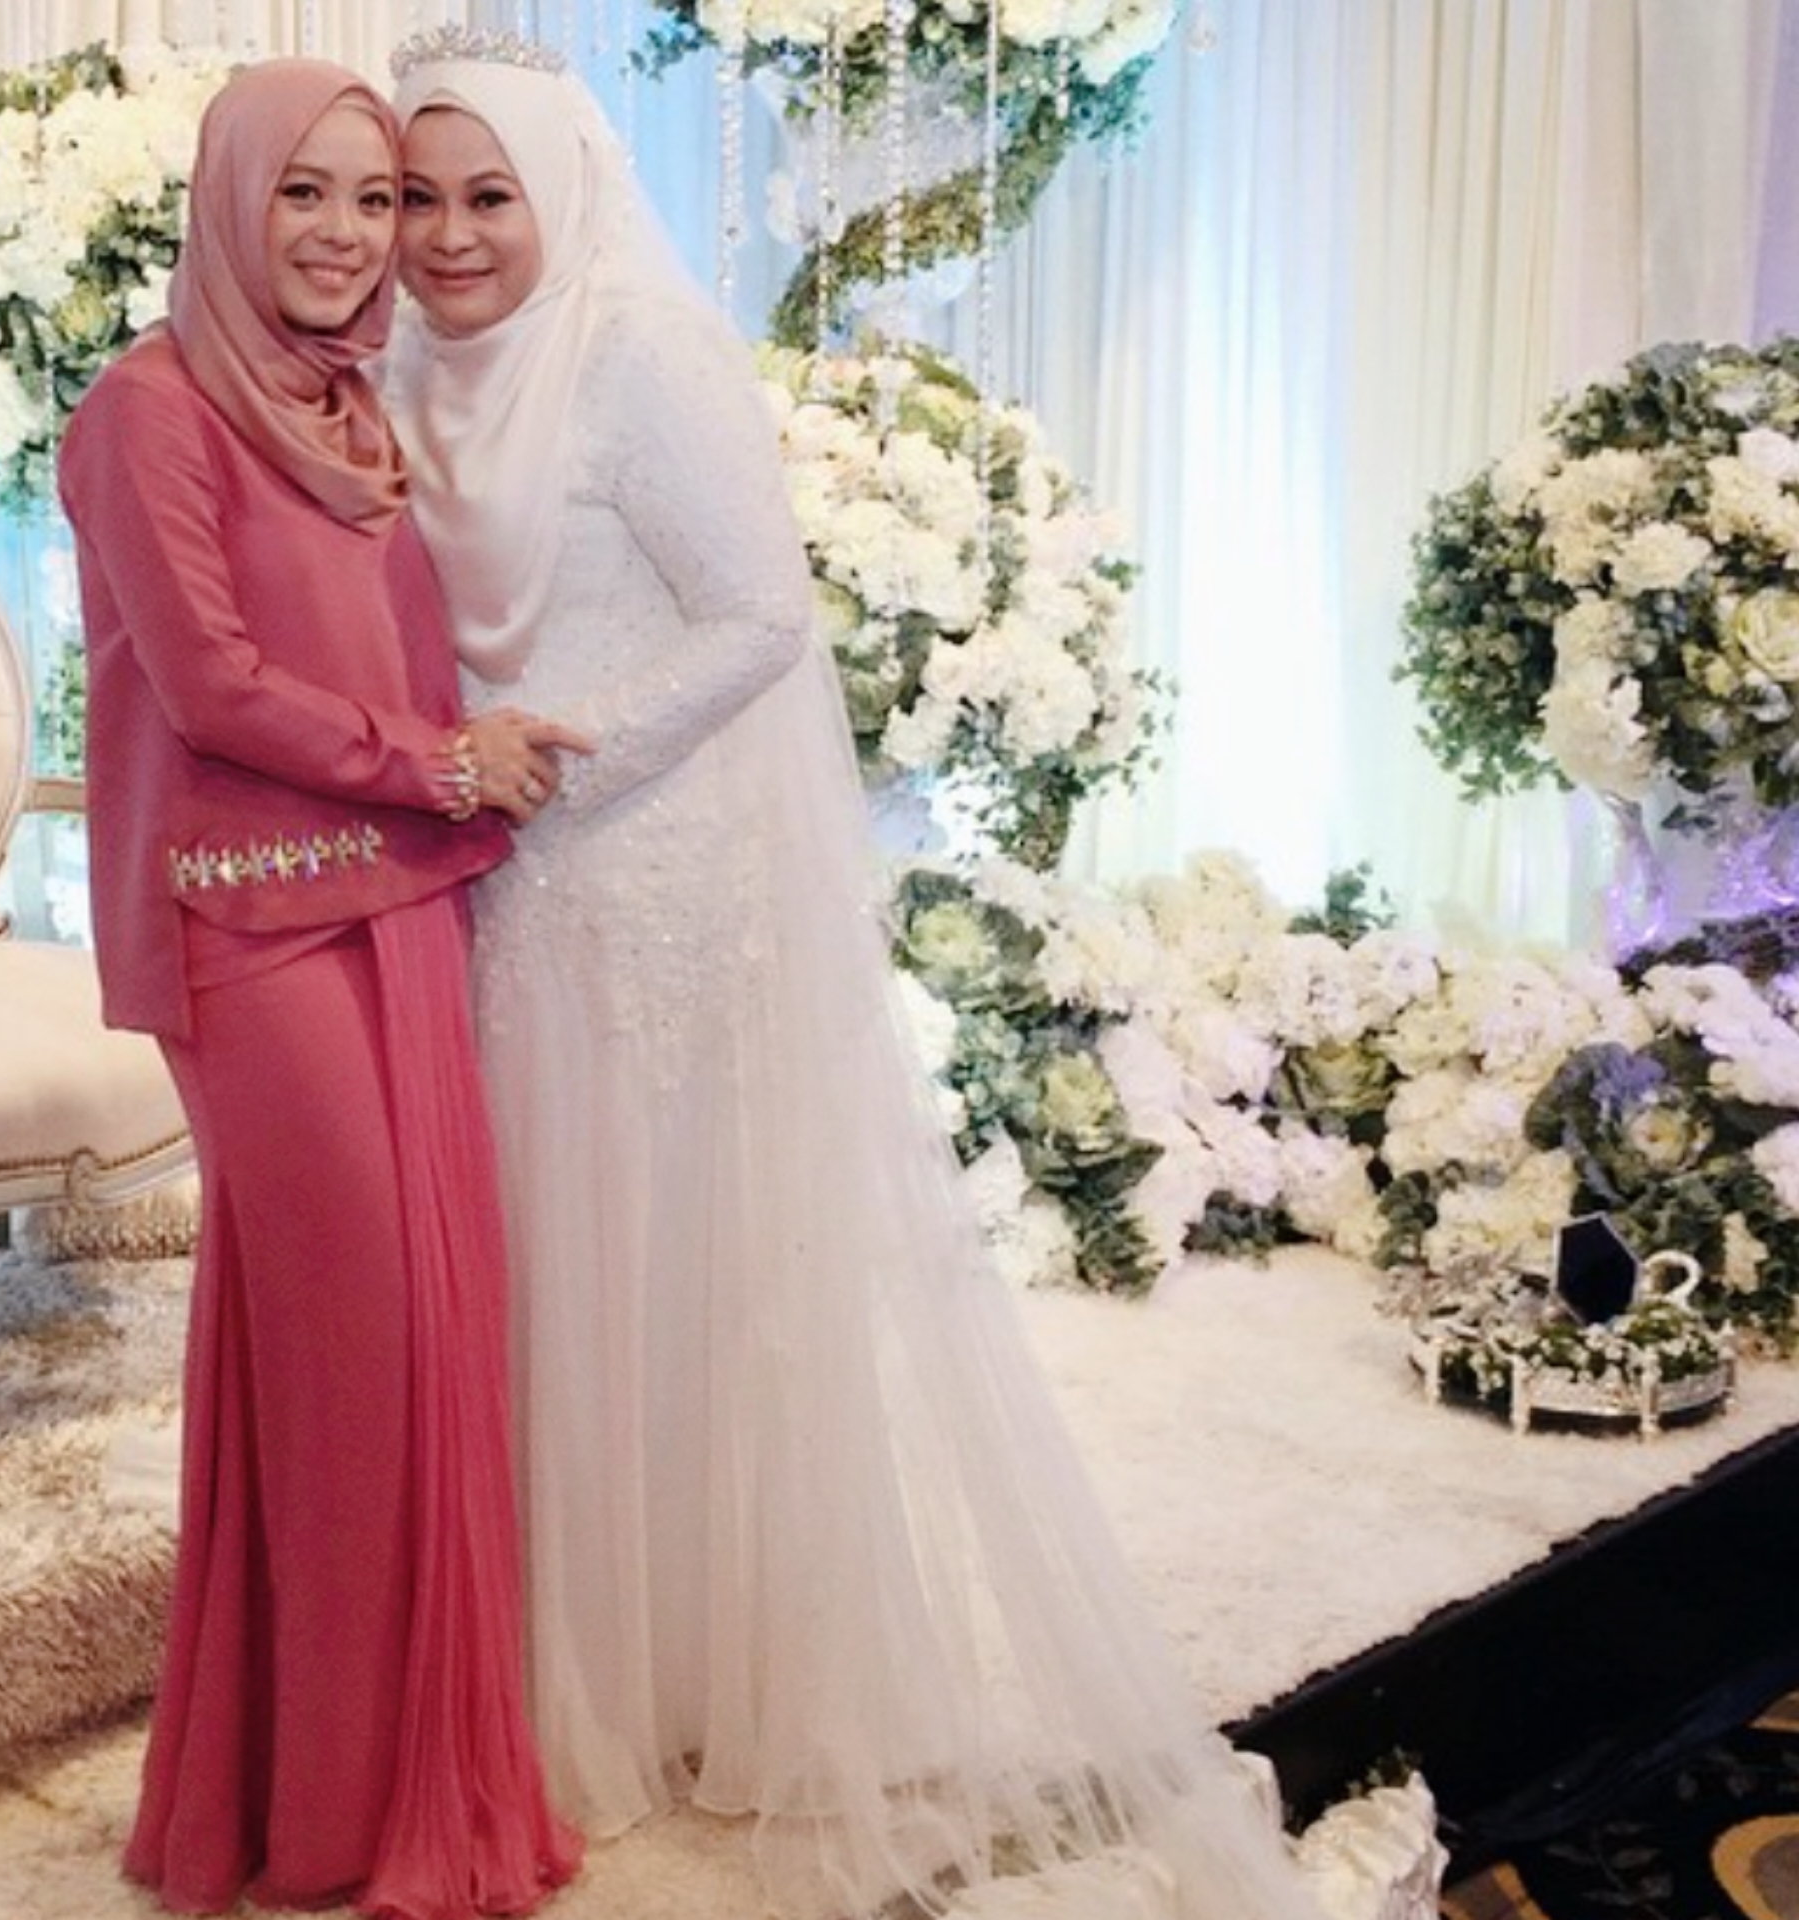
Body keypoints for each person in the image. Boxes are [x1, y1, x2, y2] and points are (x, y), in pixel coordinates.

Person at [385, 34, 1323, 1920]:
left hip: (646, 860)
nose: (449, 235)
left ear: (562, 194)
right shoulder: (403, 365)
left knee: (675, 1263)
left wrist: (566, 760)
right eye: (417, 196)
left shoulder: (641, 354)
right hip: (490, 863)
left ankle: (724, 1681)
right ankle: (569, 1673)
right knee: (549, 1263)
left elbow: (761, 617)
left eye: (489, 196)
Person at [55, 58, 581, 1920]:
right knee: (354, 1343)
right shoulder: (148, 412)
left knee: (403, 1344)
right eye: (309, 193)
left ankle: (322, 1790)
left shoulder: (346, 401)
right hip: (252, 925)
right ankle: (336, 1813)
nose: (353, 235)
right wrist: (441, 764)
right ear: (230, 200)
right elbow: (208, 689)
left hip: (402, 900)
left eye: (376, 197)